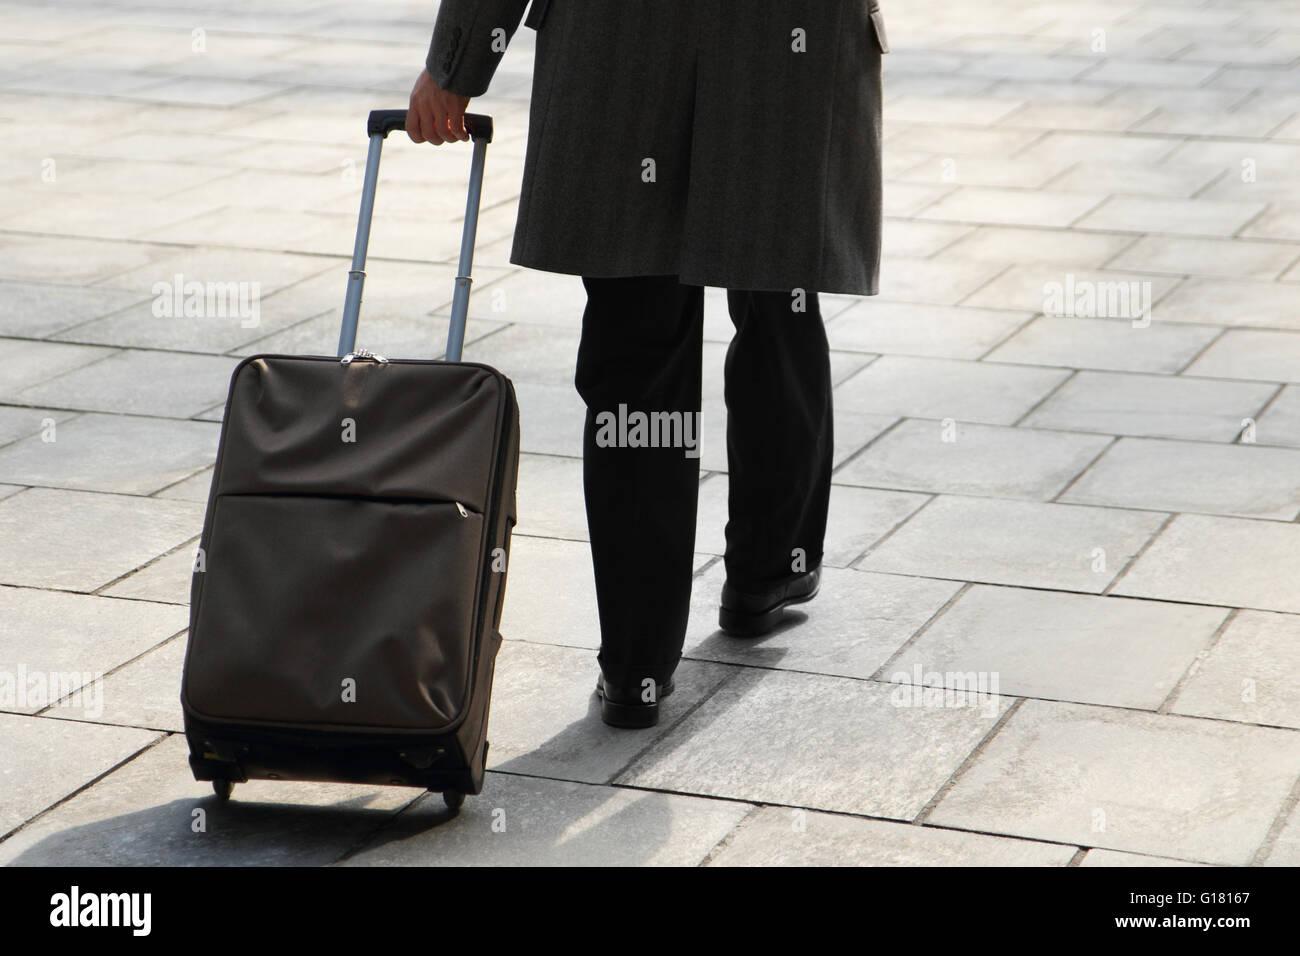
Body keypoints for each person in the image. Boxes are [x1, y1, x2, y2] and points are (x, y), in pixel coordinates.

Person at [409, 0, 888, 728]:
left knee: (638, 335)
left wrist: (458, 63)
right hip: (788, 40)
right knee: (777, 301)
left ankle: (636, 664)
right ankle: (769, 571)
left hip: (624, 40)